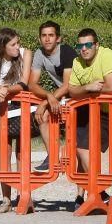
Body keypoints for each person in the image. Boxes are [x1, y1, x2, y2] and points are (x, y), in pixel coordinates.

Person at [68, 28, 112, 209]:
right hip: (101, 112)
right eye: (80, 45)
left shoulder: (108, 55)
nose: (84, 49)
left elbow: (111, 87)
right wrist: (89, 87)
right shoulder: (77, 62)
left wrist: (85, 91)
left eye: (88, 44)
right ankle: (101, 193)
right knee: (82, 149)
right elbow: (72, 90)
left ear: (96, 45)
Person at [0, 28, 33, 213]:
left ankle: (24, 195)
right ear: (3, 46)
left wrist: (7, 90)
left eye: (18, 43)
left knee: (22, 154)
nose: (18, 47)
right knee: (4, 155)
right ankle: (6, 199)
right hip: (1, 109)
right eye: (13, 44)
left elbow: (24, 82)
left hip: (20, 107)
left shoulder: (26, 54)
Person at [27, 21, 76, 173]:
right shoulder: (39, 54)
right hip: (61, 93)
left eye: (51, 35)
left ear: (58, 38)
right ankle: (53, 156)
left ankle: (71, 161)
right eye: (44, 36)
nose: (47, 39)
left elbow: (68, 84)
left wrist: (44, 102)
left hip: (78, 92)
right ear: (39, 38)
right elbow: (32, 84)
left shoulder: (66, 51)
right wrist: (48, 96)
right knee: (42, 117)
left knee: (76, 131)